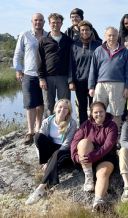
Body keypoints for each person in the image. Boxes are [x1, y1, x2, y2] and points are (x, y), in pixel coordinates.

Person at [25, 99, 77, 205]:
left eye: (66, 108)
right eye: (60, 107)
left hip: (63, 151)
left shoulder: (72, 123)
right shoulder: (47, 121)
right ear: (55, 108)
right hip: (51, 148)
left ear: (69, 111)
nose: (62, 109)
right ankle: (47, 165)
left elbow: (67, 144)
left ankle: (41, 188)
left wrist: (52, 159)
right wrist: (45, 161)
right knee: (38, 136)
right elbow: (38, 142)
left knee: (57, 154)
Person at [70, 101, 119, 211]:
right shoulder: (86, 125)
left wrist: (93, 156)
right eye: (95, 112)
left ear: (105, 112)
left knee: (103, 173)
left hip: (106, 157)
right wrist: (76, 157)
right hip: (87, 158)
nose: (98, 114)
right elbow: (75, 141)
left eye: (101, 111)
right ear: (91, 113)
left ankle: (98, 201)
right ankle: (89, 178)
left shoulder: (112, 125)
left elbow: (108, 146)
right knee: (83, 142)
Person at [88, 27, 128, 129]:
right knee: (97, 111)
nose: (111, 37)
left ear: (118, 36)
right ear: (105, 36)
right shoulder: (98, 50)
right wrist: (91, 87)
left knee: (116, 113)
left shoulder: (124, 51)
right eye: (109, 35)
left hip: (119, 85)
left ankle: (115, 137)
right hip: (101, 85)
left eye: (114, 35)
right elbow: (93, 70)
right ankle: (97, 134)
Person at [13, 13, 47, 145]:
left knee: (41, 104)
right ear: (31, 22)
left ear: (44, 22)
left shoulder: (47, 35)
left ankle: (38, 129)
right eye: (35, 20)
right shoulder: (25, 35)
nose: (38, 22)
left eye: (40, 20)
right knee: (30, 104)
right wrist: (18, 69)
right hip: (29, 74)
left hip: (44, 75)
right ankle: (30, 131)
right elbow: (17, 53)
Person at [38, 13, 73, 116]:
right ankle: (48, 129)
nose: (55, 25)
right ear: (49, 24)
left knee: (65, 104)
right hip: (48, 78)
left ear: (61, 24)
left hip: (63, 77)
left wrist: (71, 79)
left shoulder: (68, 40)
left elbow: (71, 61)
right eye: (53, 22)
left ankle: (65, 128)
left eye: (58, 22)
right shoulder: (43, 40)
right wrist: (41, 78)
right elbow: (39, 61)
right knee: (49, 105)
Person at [69, 20, 102, 125]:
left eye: (87, 29)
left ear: (91, 31)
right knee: (82, 107)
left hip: (95, 81)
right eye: (82, 30)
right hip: (80, 81)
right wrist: (71, 81)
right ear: (79, 31)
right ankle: (83, 128)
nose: (84, 32)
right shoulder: (74, 45)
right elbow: (71, 64)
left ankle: (95, 127)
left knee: (95, 107)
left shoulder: (98, 45)